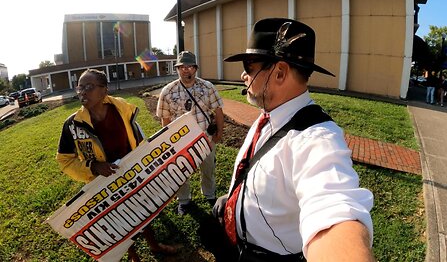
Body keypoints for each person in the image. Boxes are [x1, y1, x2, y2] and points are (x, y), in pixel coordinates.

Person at [213, 18, 375, 261]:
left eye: (249, 66)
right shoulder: (270, 113)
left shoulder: (316, 139)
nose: (243, 75)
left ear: (279, 73)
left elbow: (334, 208)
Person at [56, 69, 177, 262]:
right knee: (121, 222)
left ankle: (155, 246)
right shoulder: (72, 125)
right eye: (80, 87)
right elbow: (64, 159)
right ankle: (133, 257)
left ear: (104, 91)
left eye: (89, 87)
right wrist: (94, 167)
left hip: (133, 175)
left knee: (144, 212)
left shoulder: (122, 110)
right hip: (105, 185)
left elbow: (139, 140)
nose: (82, 92)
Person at [157, 51, 225, 215]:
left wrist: (219, 133)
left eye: (189, 66)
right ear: (177, 69)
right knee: (180, 173)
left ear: (195, 68)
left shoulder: (207, 87)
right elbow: (165, 119)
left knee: (208, 169)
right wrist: (169, 141)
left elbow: (218, 112)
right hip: (181, 143)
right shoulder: (168, 91)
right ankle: (184, 200)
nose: (186, 70)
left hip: (206, 138)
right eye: (182, 67)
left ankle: (209, 195)